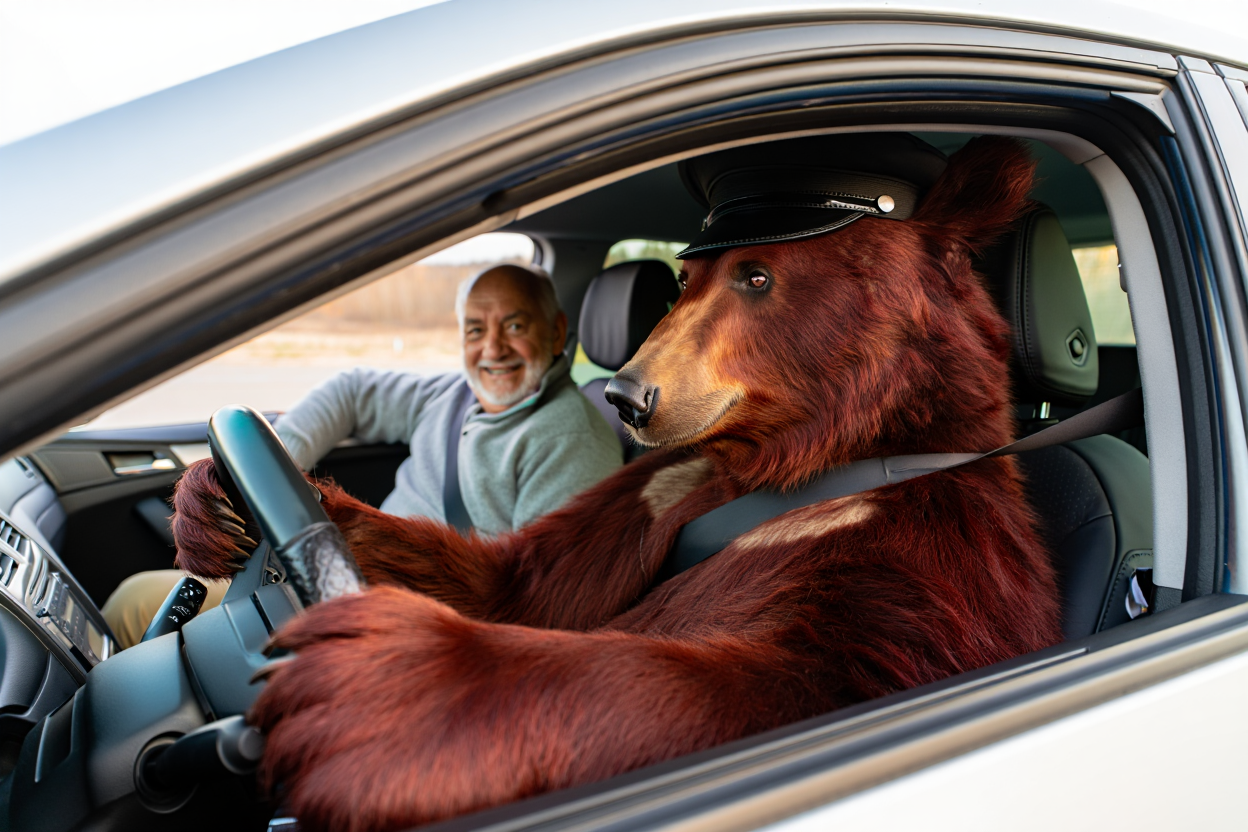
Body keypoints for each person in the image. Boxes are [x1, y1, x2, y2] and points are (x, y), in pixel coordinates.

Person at [103, 264, 623, 647]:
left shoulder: (571, 438)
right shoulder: (454, 394)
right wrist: (269, 472)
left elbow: (538, 607)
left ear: (555, 332)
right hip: (335, 579)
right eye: (475, 330)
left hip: (402, 627)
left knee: (136, 610)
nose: (492, 349)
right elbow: (352, 390)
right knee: (139, 600)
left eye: (514, 326)